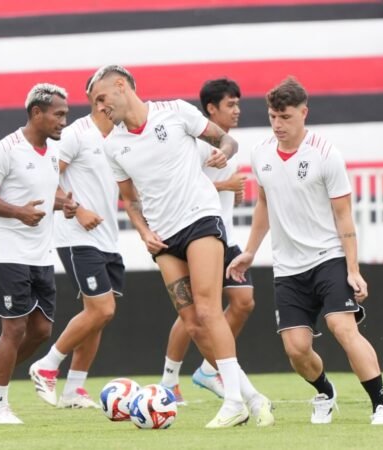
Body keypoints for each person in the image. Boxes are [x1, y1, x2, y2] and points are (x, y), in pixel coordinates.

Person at [89, 65, 273, 428]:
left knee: (208, 309)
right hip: (163, 239)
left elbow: (227, 139)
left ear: (121, 86)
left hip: (200, 220)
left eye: (101, 98)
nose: (99, 108)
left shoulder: (175, 112)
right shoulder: (112, 145)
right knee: (191, 322)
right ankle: (250, 396)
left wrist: (222, 150)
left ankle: (234, 400)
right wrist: (143, 232)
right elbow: (129, 200)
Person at [227, 77, 383, 425]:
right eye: (273, 116)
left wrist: (353, 268)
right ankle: (325, 391)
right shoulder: (261, 153)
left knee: (342, 326)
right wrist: (250, 251)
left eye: (285, 117)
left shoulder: (325, 154)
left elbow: (343, 215)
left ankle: (382, 406)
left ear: (304, 113)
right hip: (287, 267)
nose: (277, 125)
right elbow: (263, 204)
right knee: (296, 349)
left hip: (328, 258)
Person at [0, 83, 76, 424]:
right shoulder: (8, 148)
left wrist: (66, 203)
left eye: (66, 115)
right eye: (58, 114)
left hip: (41, 255)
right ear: (36, 113)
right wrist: (18, 212)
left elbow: (44, 191)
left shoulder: (53, 152)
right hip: (8, 253)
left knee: (42, 331)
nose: (63, 121)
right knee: (13, 330)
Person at [28, 76, 124, 409]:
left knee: (98, 315)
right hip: (77, 236)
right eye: (113, 94)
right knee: (102, 308)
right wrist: (78, 209)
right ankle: (47, 365)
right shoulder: (75, 135)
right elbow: (44, 179)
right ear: (99, 101)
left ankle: (74, 389)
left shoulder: (123, 138)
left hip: (108, 238)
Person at [159, 78, 254, 404]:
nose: (237, 110)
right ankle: (170, 379)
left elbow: (223, 193)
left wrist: (234, 193)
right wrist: (226, 186)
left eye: (238, 104)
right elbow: (183, 191)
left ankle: (208, 367)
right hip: (197, 235)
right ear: (211, 108)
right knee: (196, 313)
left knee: (243, 301)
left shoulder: (227, 147)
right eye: (231, 104)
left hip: (223, 234)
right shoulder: (196, 145)